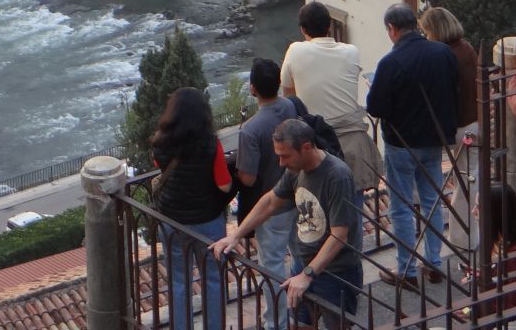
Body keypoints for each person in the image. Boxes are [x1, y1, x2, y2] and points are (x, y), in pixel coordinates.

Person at [213, 119, 363, 330]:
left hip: (335, 272)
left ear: (307, 147)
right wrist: (235, 235)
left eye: (285, 155)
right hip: (303, 265)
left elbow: (339, 235)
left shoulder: (336, 175)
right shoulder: (296, 169)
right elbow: (271, 201)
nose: (281, 163)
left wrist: (307, 275)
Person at [366, 3, 458, 290]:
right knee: (431, 203)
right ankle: (434, 263)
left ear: (392, 29)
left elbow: (376, 106)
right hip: (434, 140)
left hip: (402, 143)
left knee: (402, 207)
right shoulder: (443, 53)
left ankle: (407, 269)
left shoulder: (390, 63)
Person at [152, 87, 232, 330]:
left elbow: (159, 165)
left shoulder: (160, 143)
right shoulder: (210, 144)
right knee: (213, 279)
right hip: (207, 221)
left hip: (172, 220)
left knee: (178, 281)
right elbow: (224, 185)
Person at [280, 2, 382, 193]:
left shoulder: (295, 50)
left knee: (318, 208)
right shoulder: (351, 51)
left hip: (316, 146)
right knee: (354, 209)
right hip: (351, 142)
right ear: (329, 26)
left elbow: (288, 95)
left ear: (302, 29)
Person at [236, 60, 297, 330]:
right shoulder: (289, 107)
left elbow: (247, 178)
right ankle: (305, 313)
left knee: (272, 268)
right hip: (298, 195)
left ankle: (276, 324)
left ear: (252, 89)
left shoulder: (250, 129)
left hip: (271, 207)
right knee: (303, 256)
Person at [421, 6, 481, 273]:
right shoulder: (467, 49)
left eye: (426, 31)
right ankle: (469, 235)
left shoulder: (443, 55)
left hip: (456, 126)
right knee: (470, 181)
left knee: (462, 185)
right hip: (474, 122)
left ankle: (463, 238)